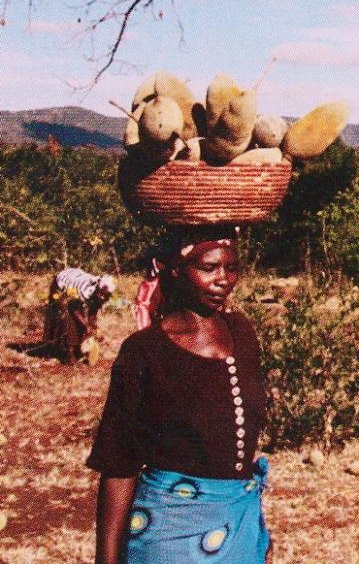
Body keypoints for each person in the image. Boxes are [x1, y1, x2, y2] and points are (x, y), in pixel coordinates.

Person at [88, 228, 271, 564]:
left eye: (231, 268)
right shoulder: (145, 352)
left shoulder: (242, 332)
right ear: (176, 270)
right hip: (168, 536)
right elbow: (119, 462)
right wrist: (107, 560)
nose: (223, 280)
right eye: (208, 268)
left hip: (239, 528)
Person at [44, 268, 115, 364]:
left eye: (105, 295)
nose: (102, 297)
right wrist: (86, 326)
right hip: (60, 283)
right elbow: (74, 308)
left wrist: (94, 328)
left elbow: (92, 312)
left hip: (74, 290)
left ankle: (76, 349)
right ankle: (61, 351)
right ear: (98, 288)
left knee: (81, 322)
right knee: (64, 316)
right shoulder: (85, 289)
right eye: (101, 293)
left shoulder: (103, 295)